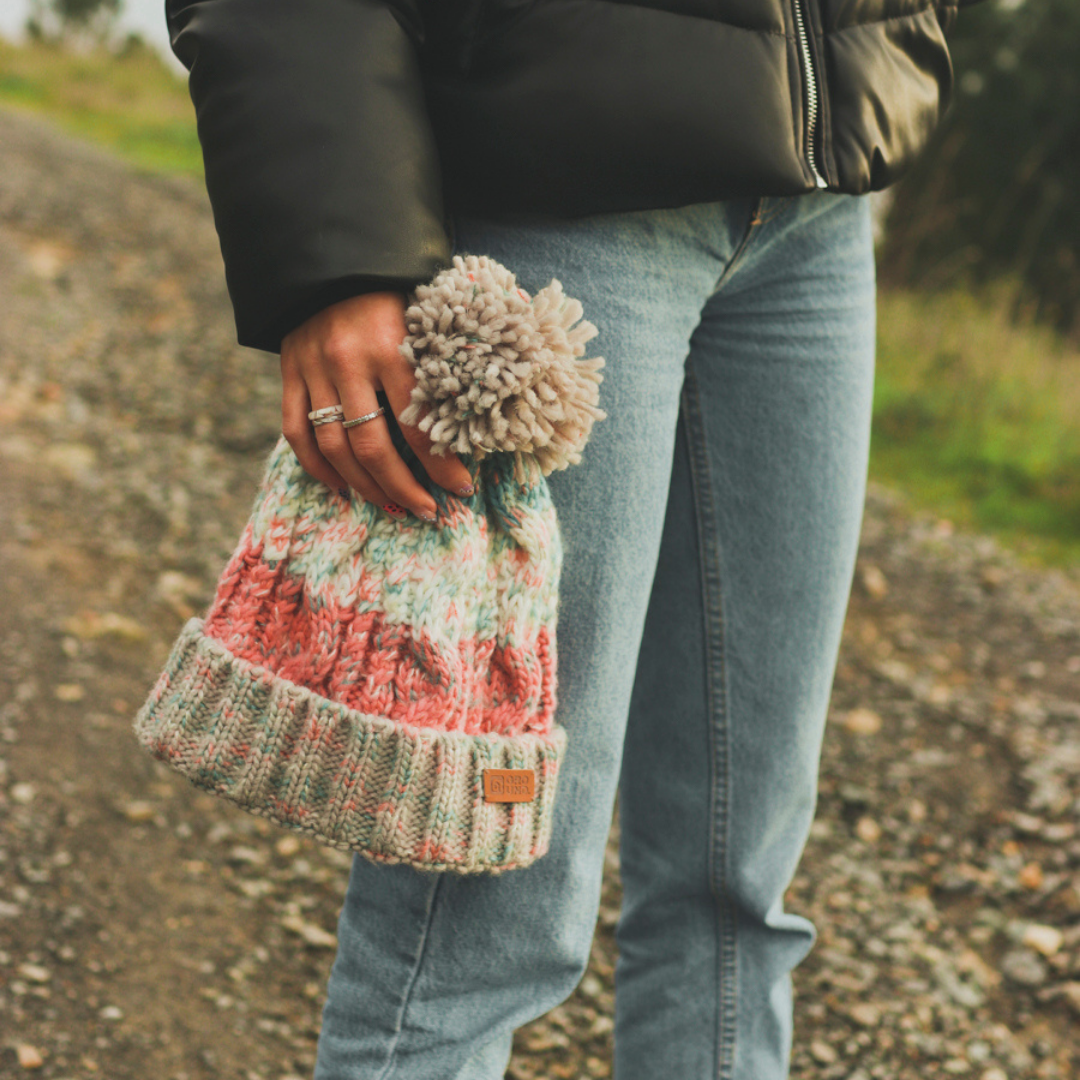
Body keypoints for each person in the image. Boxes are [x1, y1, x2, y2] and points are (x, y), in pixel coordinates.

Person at [163, 1, 982, 1076]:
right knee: (483, 899)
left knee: (737, 891)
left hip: (816, 219)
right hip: (555, 187)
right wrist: (342, 247)